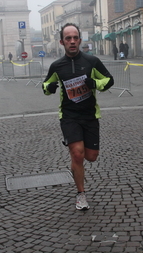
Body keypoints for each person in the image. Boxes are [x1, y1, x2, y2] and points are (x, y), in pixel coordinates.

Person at [42, 23, 114, 210]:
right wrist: (49, 88)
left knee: (91, 156)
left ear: (80, 40)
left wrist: (94, 83)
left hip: (90, 115)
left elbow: (109, 80)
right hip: (69, 116)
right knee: (77, 154)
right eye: (68, 38)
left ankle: (76, 167)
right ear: (62, 42)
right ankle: (81, 194)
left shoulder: (92, 61)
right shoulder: (57, 66)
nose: (72, 41)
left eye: (75, 38)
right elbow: (46, 85)